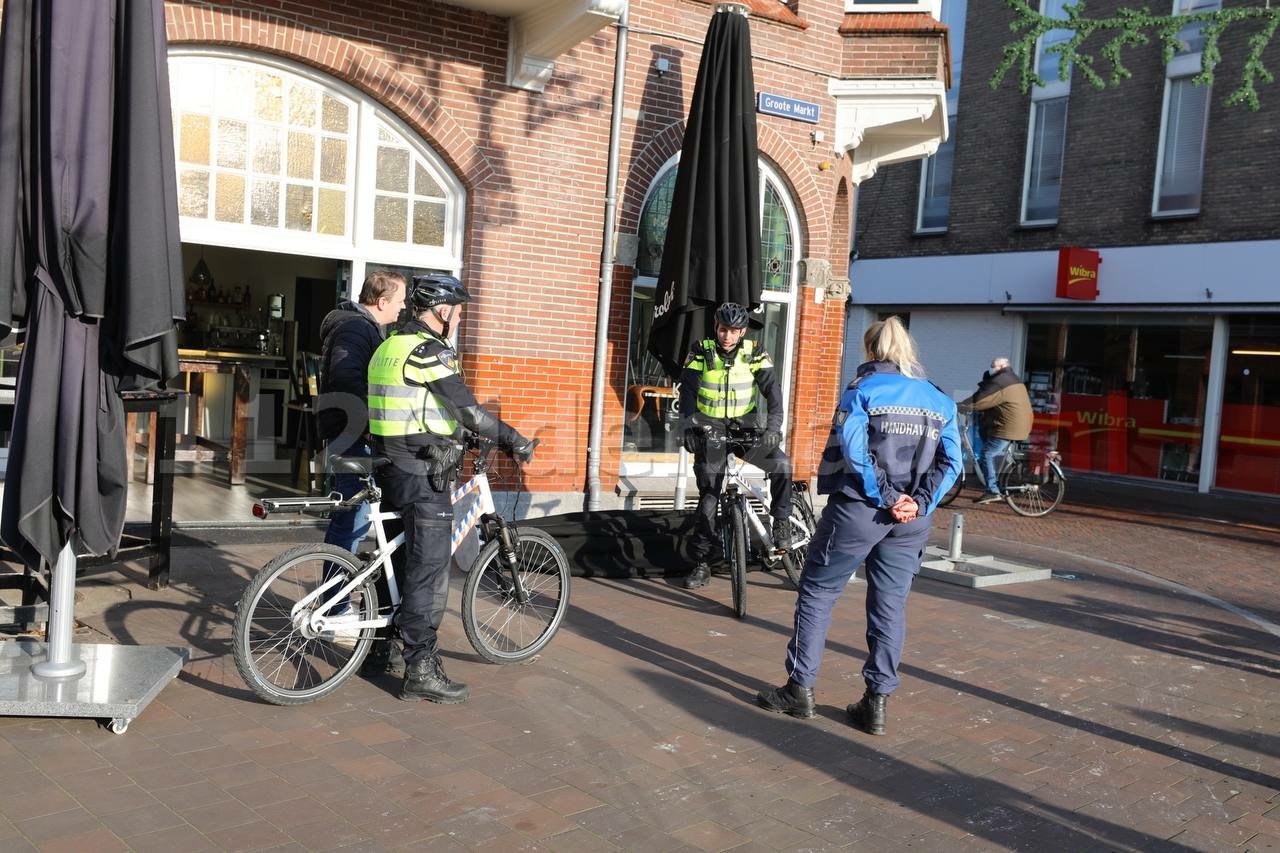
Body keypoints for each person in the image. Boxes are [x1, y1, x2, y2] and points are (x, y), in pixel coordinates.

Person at [756, 316, 961, 735]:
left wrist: (887, 497)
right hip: (911, 522)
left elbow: (855, 454)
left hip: (859, 511)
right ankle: (877, 702)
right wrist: (916, 503)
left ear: (869, 351)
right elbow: (953, 464)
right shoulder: (940, 400)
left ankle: (800, 688)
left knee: (817, 591)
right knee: (889, 606)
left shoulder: (861, 392)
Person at [368, 274, 535, 704]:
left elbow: (415, 404)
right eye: (458, 311)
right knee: (428, 569)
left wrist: (457, 435)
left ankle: (378, 650)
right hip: (422, 473)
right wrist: (513, 439)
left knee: (399, 561)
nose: (459, 318)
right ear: (442, 311)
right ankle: (421, 668)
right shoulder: (428, 350)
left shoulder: (387, 345)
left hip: (390, 465)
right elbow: (469, 410)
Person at [678, 302, 792, 590]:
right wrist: (689, 427)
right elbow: (689, 392)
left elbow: (773, 393)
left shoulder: (755, 351)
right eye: (723, 329)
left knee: (782, 465)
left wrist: (774, 429)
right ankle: (702, 562)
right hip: (711, 431)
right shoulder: (701, 350)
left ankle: (781, 522)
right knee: (708, 498)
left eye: (733, 331)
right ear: (716, 328)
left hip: (747, 429)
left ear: (742, 331)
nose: (727, 336)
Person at [958, 357, 1032, 504]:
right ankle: (996, 480)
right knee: (987, 438)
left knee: (987, 454)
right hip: (1017, 424)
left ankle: (992, 490)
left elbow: (980, 399)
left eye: (993, 366)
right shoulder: (1012, 378)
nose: (990, 368)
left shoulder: (1001, 381)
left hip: (1009, 427)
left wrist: (958, 406)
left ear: (1002, 366)